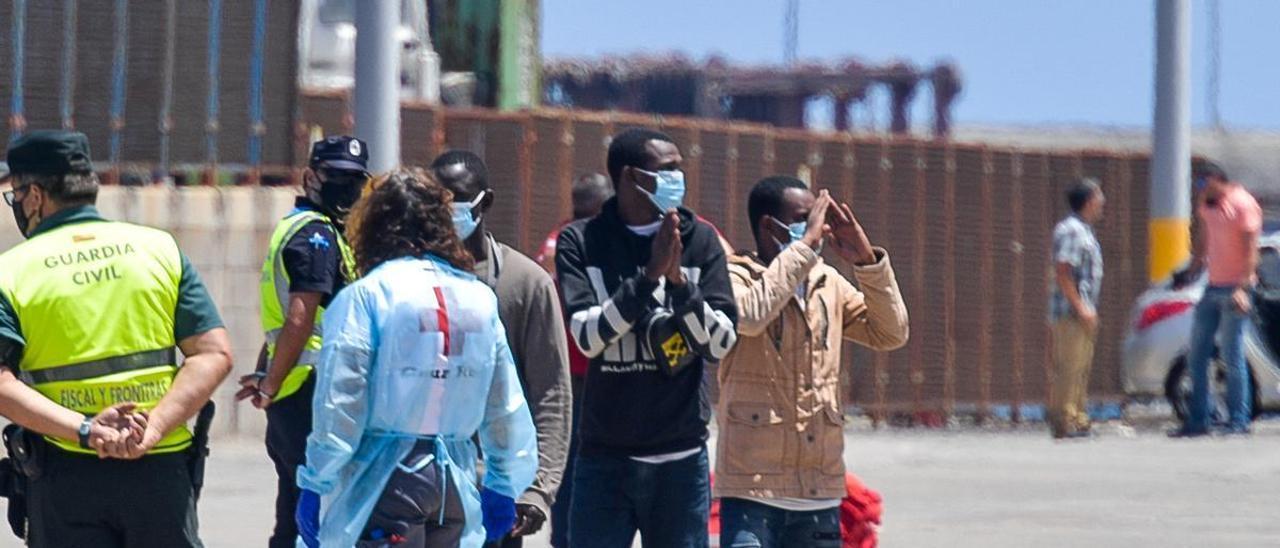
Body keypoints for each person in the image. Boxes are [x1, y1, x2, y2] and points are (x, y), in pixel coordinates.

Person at [0, 130, 233, 547]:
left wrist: (88, 430)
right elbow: (214, 353)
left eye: (15, 194)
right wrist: (154, 426)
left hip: (67, 474)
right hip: (160, 471)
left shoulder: (12, 273)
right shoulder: (159, 249)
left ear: (35, 195)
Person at [294, 168, 538, 548]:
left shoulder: (367, 296)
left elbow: (341, 403)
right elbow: (504, 402)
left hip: (385, 481)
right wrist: (503, 481)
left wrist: (316, 480)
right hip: (456, 484)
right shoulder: (477, 298)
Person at [556, 128, 738, 548]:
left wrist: (679, 285)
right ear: (628, 177)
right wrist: (647, 278)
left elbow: (721, 343)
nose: (678, 179)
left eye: (680, 169)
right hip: (605, 459)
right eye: (666, 170)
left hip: (681, 461)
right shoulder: (582, 241)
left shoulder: (699, 240)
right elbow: (587, 337)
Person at [714, 176, 908, 548]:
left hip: (819, 491)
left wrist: (867, 262)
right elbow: (752, 316)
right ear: (771, 225)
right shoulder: (734, 275)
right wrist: (802, 248)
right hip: (753, 491)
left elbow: (890, 332)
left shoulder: (827, 284)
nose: (820, 229)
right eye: (807, 218)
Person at [431, 150, 572, 547]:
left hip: (495, 491)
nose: (445, 210)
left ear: (484, 202)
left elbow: (551, 393)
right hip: (419, 489)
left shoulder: (524, 284)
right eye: (434, 200)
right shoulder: (407, 282)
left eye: (455, 198)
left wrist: (537, 489)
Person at [236, 136, 368, 548]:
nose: (346, 189)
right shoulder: (316, 235)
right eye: (335, 178)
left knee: (294, 512)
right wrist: (271, 384)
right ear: (311, 177)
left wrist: (267, 375)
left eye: (355, 181)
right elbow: (298, 318)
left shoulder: (306, 228)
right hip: (311, 393)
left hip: (297, 390)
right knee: (315, 516)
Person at [533, 172, 612, 548]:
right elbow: (547, 263)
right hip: (577, 373)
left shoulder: (569, 235)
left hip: (596, 368)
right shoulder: (565, 239)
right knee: (574, 464)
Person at [1171, 161, 1261, 437]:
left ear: (1216, 180)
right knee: (1197, 354)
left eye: (1202, 184)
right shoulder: (1207, 205)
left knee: (1232, 355)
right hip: (1213, 287)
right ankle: (1199, 420)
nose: (1199, 190)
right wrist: (1191, 270)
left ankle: (1239, 420)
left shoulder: (1242, 204)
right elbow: (1203, 239)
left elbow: (1250, 251)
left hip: (1236, 287)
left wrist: (1243, 288)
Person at [1047, 178, 1105, 439]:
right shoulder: (1071, 230)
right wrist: (1081, 308)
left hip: (1083, 311)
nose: (1102, 201)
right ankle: (1064, 420)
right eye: (1099, 196)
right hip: (1072, 313)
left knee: (1080, 367)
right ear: (1089, 200)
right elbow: (1063, 271)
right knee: (1068, 368)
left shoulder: (1084, 230)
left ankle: (1078, 418)